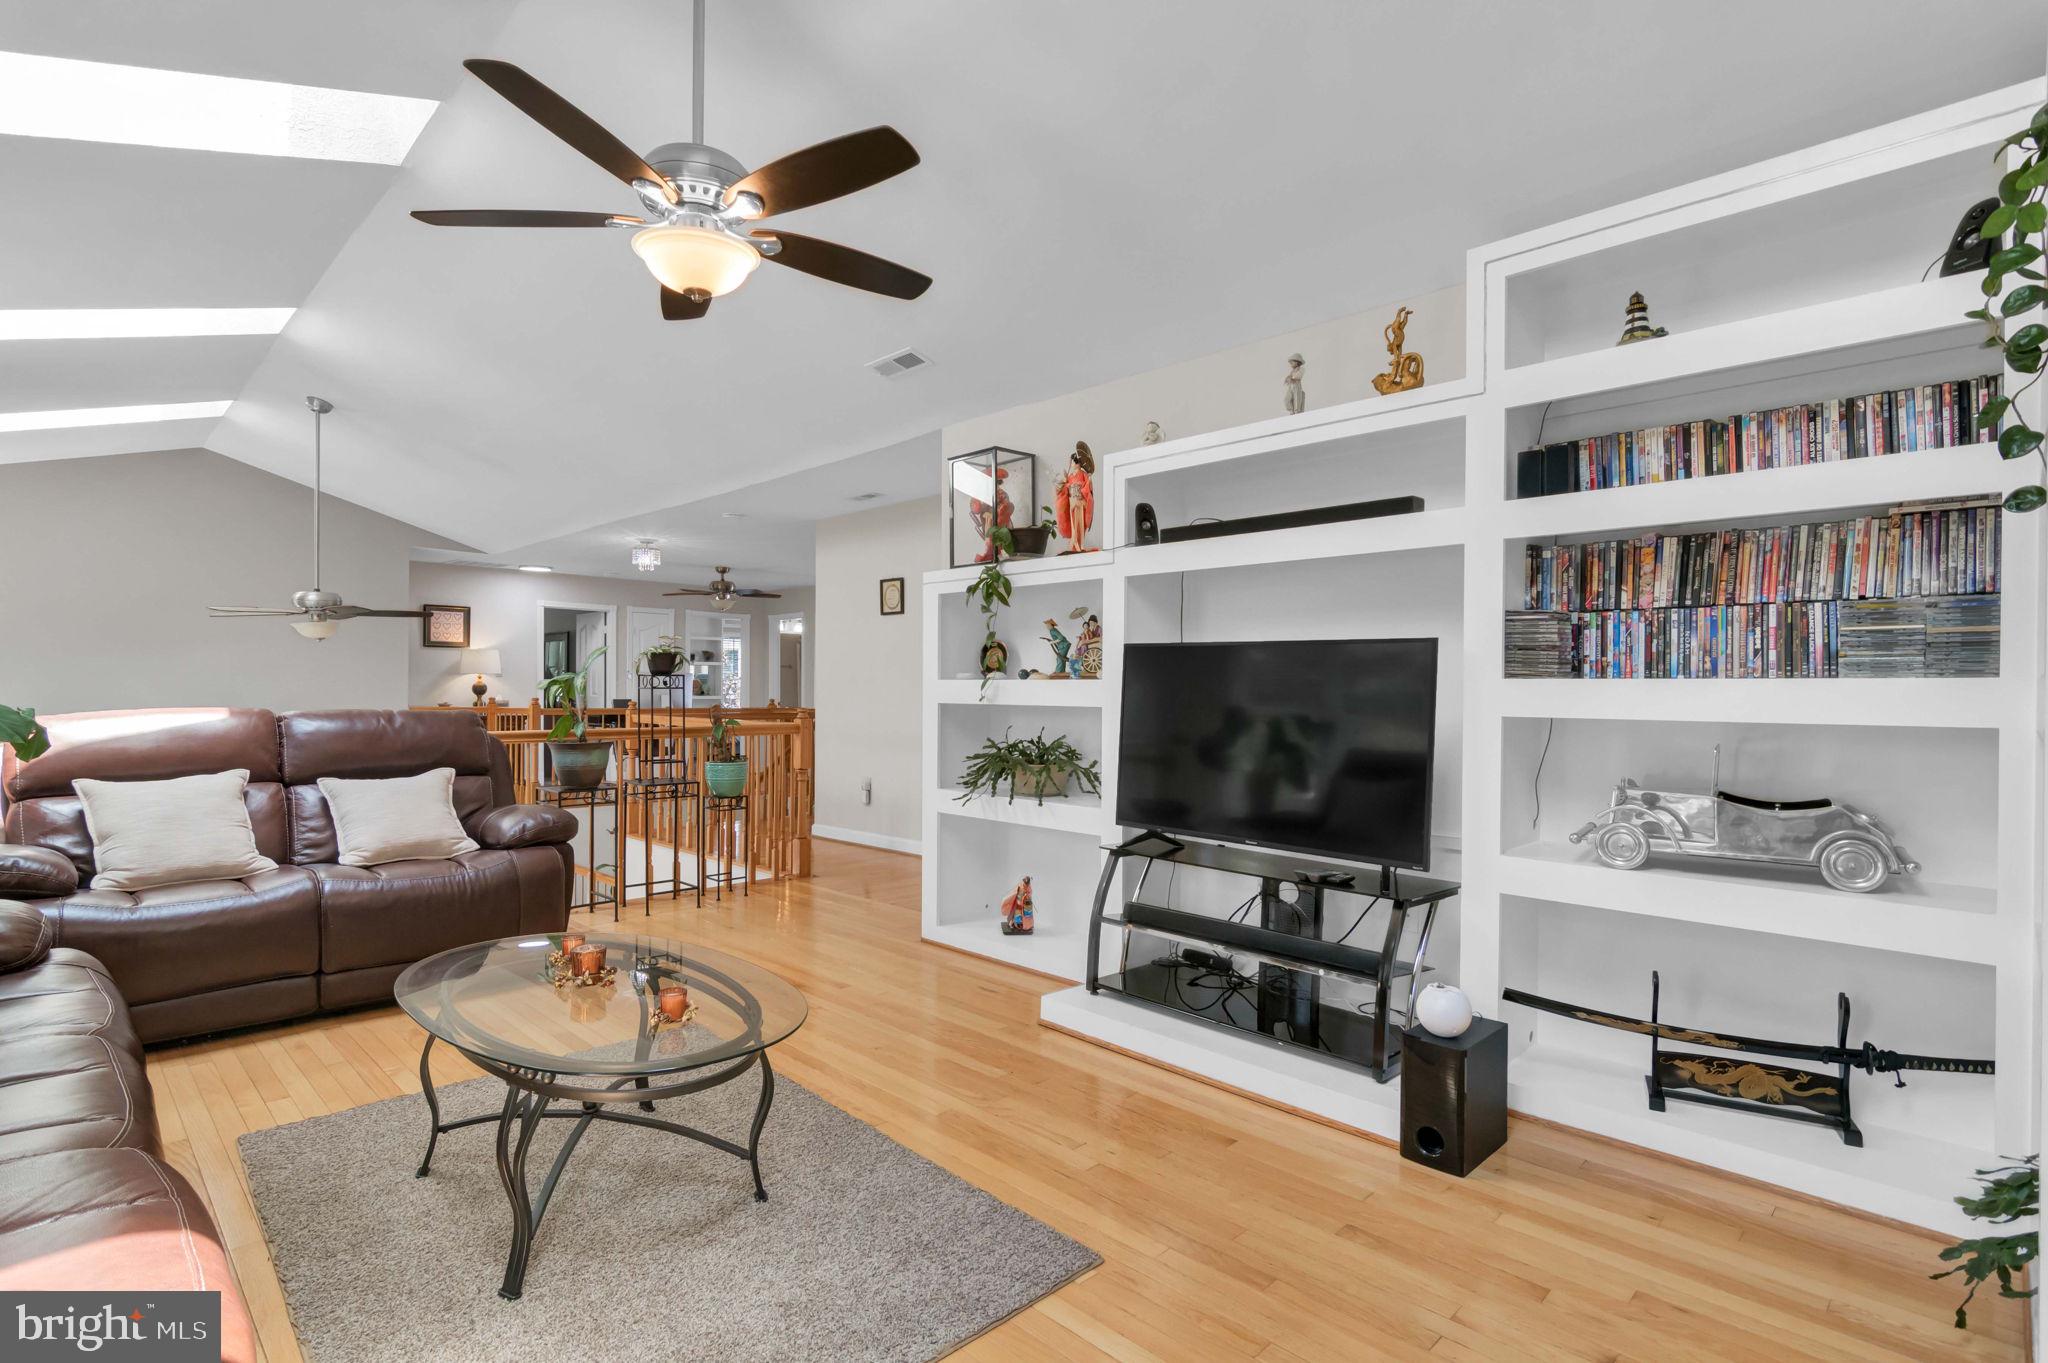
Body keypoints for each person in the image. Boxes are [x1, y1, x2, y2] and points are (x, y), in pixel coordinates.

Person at [1054, 442, 1095, 553]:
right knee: (1073, 524)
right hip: (1072, 501)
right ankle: (1074, 544)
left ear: (1077, 463)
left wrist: (1088, 482)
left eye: (1072, 462)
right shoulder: (1071, 476)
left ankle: (1080, 545)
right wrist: (1064, 484)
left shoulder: (1083, 474)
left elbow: (1087, 487)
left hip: (1080, 502)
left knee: (1080, 524)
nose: (1071, 464)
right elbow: (1065, 488)